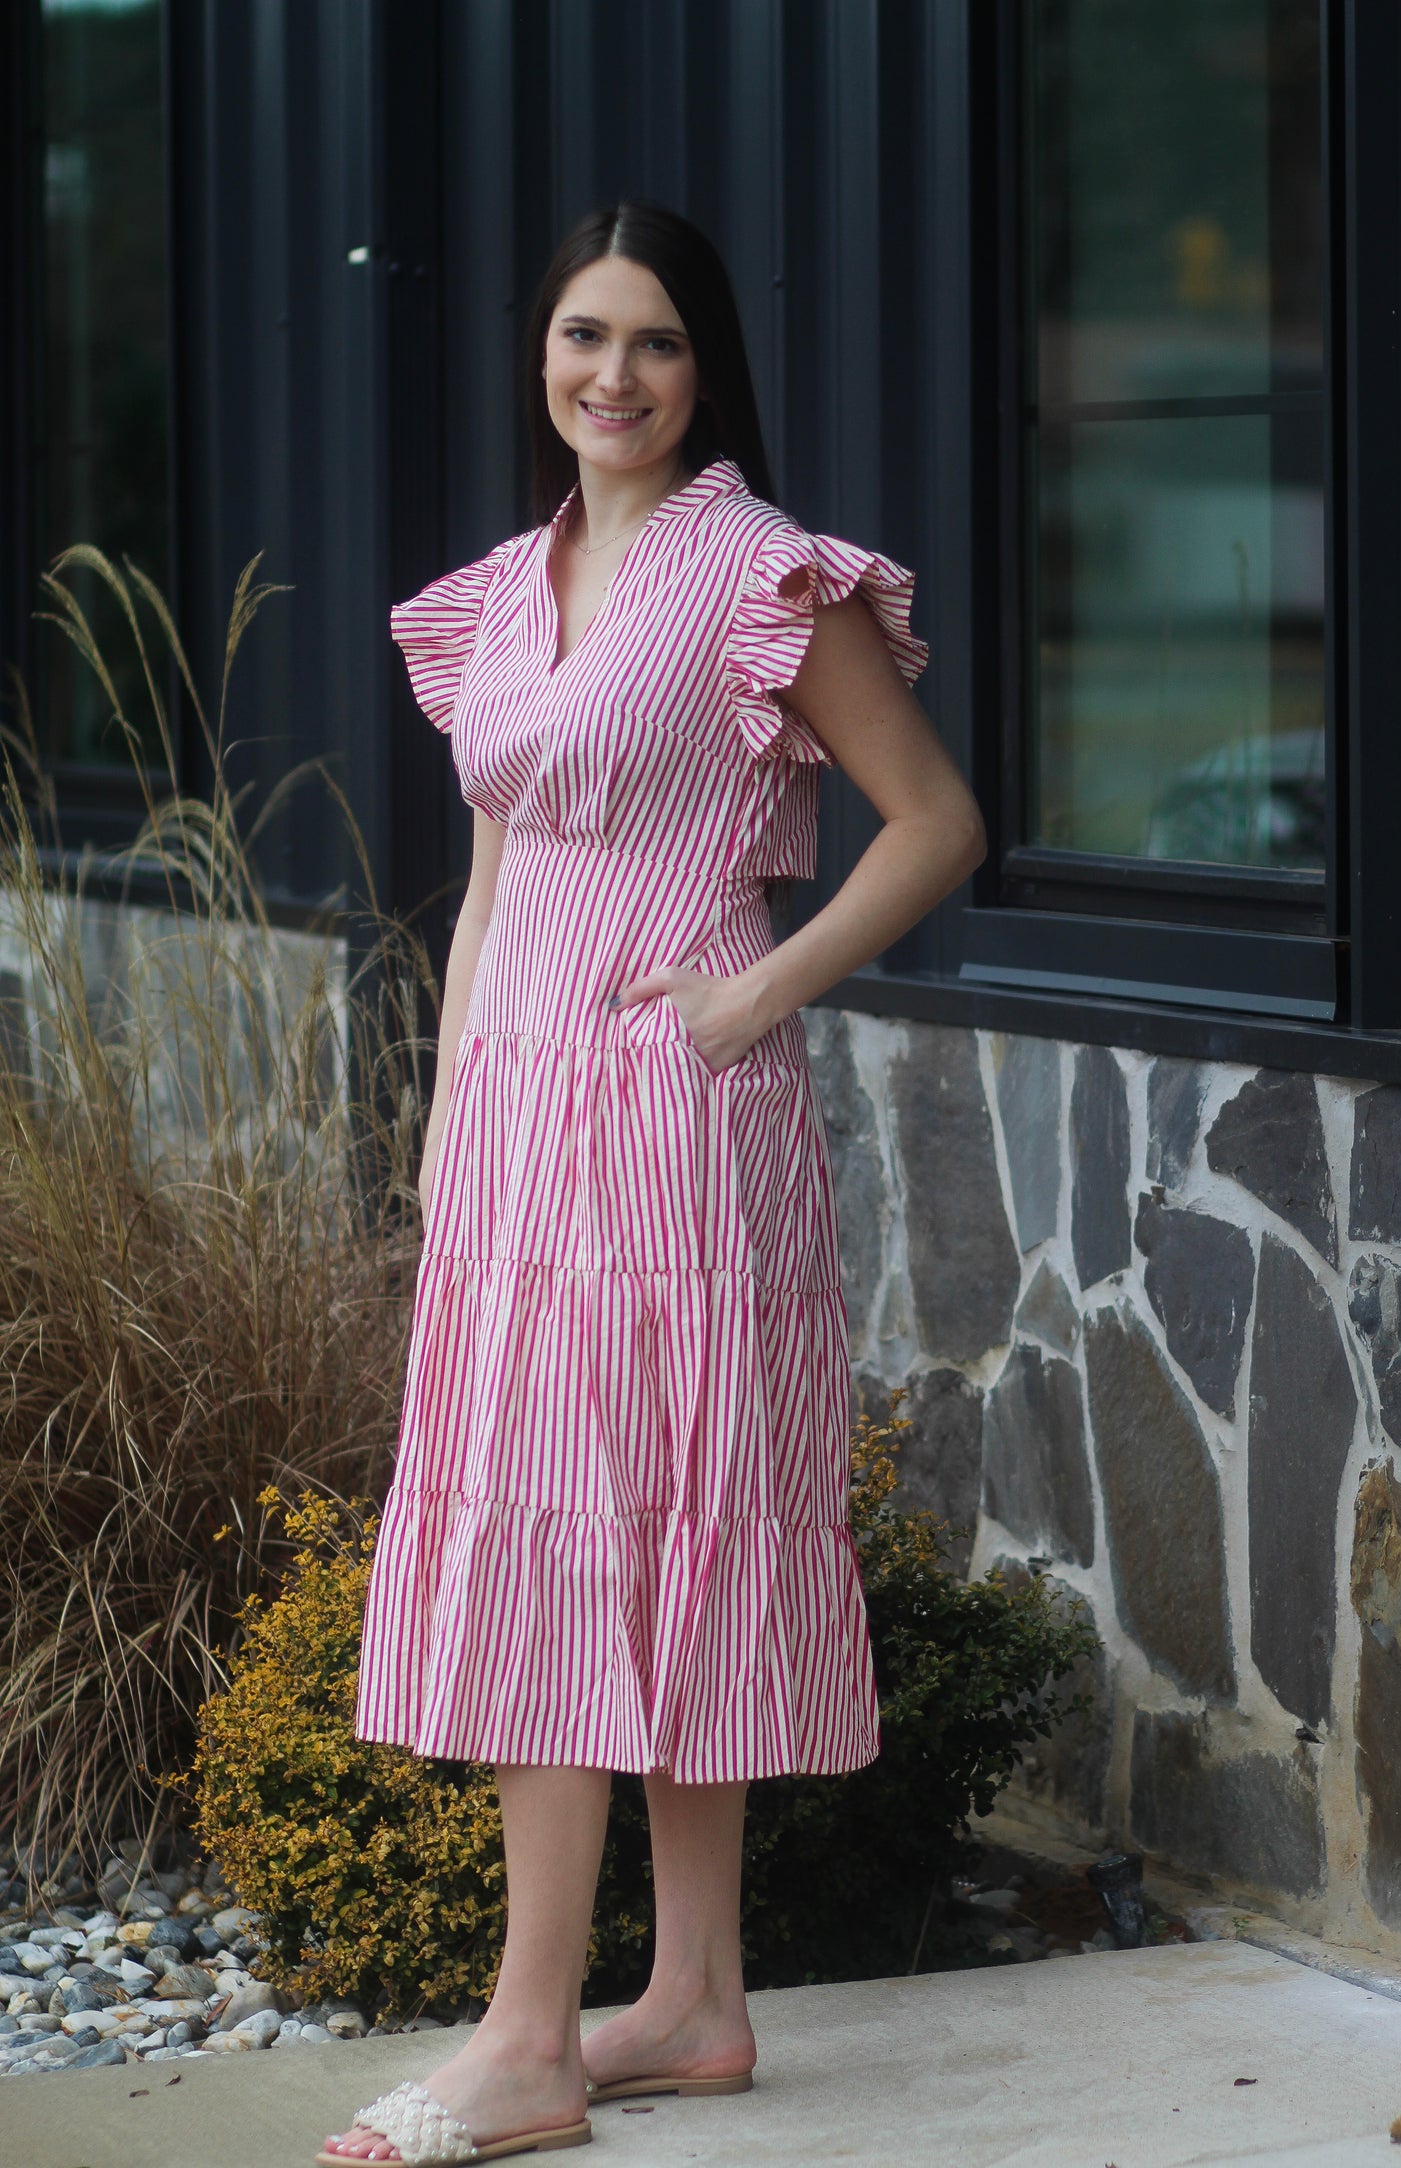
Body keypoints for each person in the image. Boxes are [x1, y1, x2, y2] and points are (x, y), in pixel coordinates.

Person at [320, 201, 985, 2166]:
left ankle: (531, 2035)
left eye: (658, 344)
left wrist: (754, 992)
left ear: (708, 371)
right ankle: (691, 1999)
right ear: (542, 352)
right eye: (584, 336)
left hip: (680, 1128)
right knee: (602, 1521)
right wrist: (445, 1121)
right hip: (524, 1132)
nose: (614, 375)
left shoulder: (755, 570)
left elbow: (936, 820)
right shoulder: (508, 590)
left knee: (616, 1532)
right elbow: (503, 867)